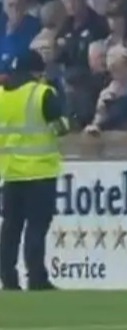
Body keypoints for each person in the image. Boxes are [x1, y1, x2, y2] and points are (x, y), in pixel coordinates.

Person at [0, 50, 68, 291]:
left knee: (10, 228)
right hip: (40, 171)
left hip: (10, 173)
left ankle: (8, 278)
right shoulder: (43, 94)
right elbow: (61, 127)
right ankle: (36, 277)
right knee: (36, 227)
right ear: (37, 71)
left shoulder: (2, 96)